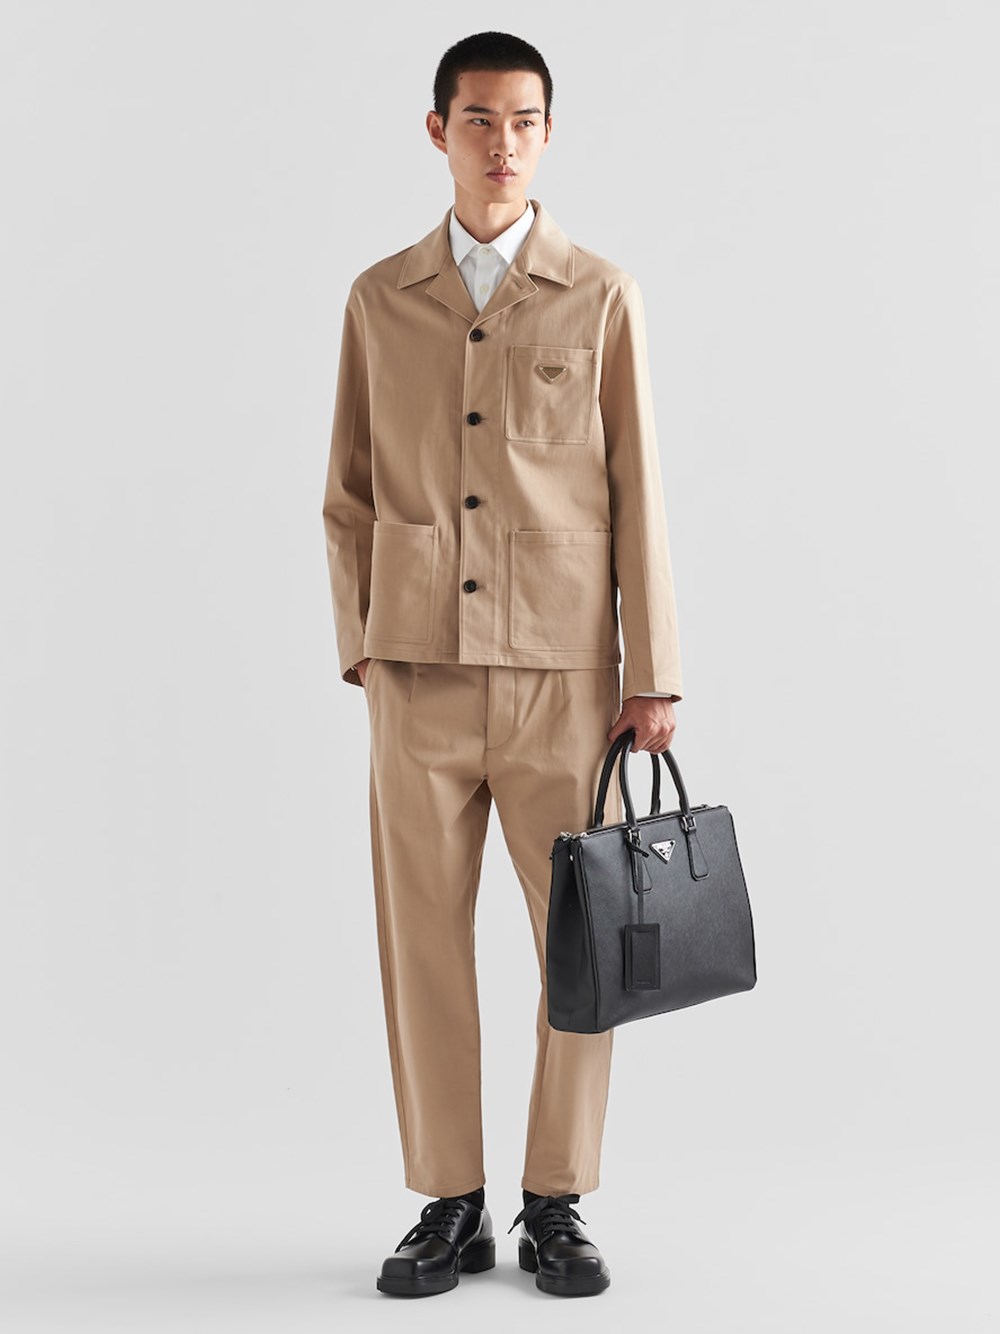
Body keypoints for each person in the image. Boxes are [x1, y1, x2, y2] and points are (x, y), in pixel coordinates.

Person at [322, 30, 684, 1299]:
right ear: (439, 131)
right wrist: (364, 645)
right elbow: (347, 493)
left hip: (563, 678)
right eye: (478, 119)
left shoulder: (600, 294)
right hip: (416, 673)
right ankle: (449, 1200)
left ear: (547, 132)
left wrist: (654, 669)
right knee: (421, 943)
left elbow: (639, 490)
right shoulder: (381, 298)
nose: (502, 143)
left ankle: (555, 1199)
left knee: (579, 945)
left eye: (524, 120)